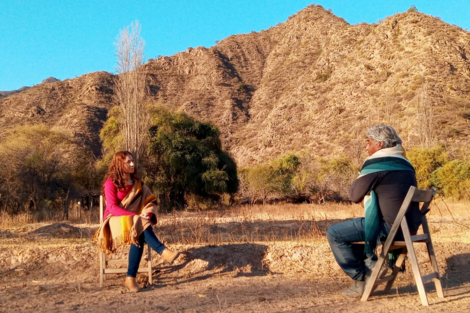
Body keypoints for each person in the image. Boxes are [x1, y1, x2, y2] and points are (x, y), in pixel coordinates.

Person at [326, 125, 421, 297]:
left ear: (379, 145)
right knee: (356, 232)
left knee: (334, 233)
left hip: (390, 228)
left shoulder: (378, 162)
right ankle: (371, 264)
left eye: (368, 143)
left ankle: (363, 277)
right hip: (409, 229)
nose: (366, 147)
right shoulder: (405, 162)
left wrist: (362, 176)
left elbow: (354, 195)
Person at [94, 151, 179, 292]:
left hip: (134, 221)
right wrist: (136, 216)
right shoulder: (111, 183)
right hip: (114, 221)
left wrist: (147, 212)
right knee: (138, 221)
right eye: (128, 162)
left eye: (133, 161)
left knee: (138, 231)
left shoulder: (137, 184)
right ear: (119, 164)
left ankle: (130, 278)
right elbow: (113, 208)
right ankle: (162, 250)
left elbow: (151, 200)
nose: (132, 164)